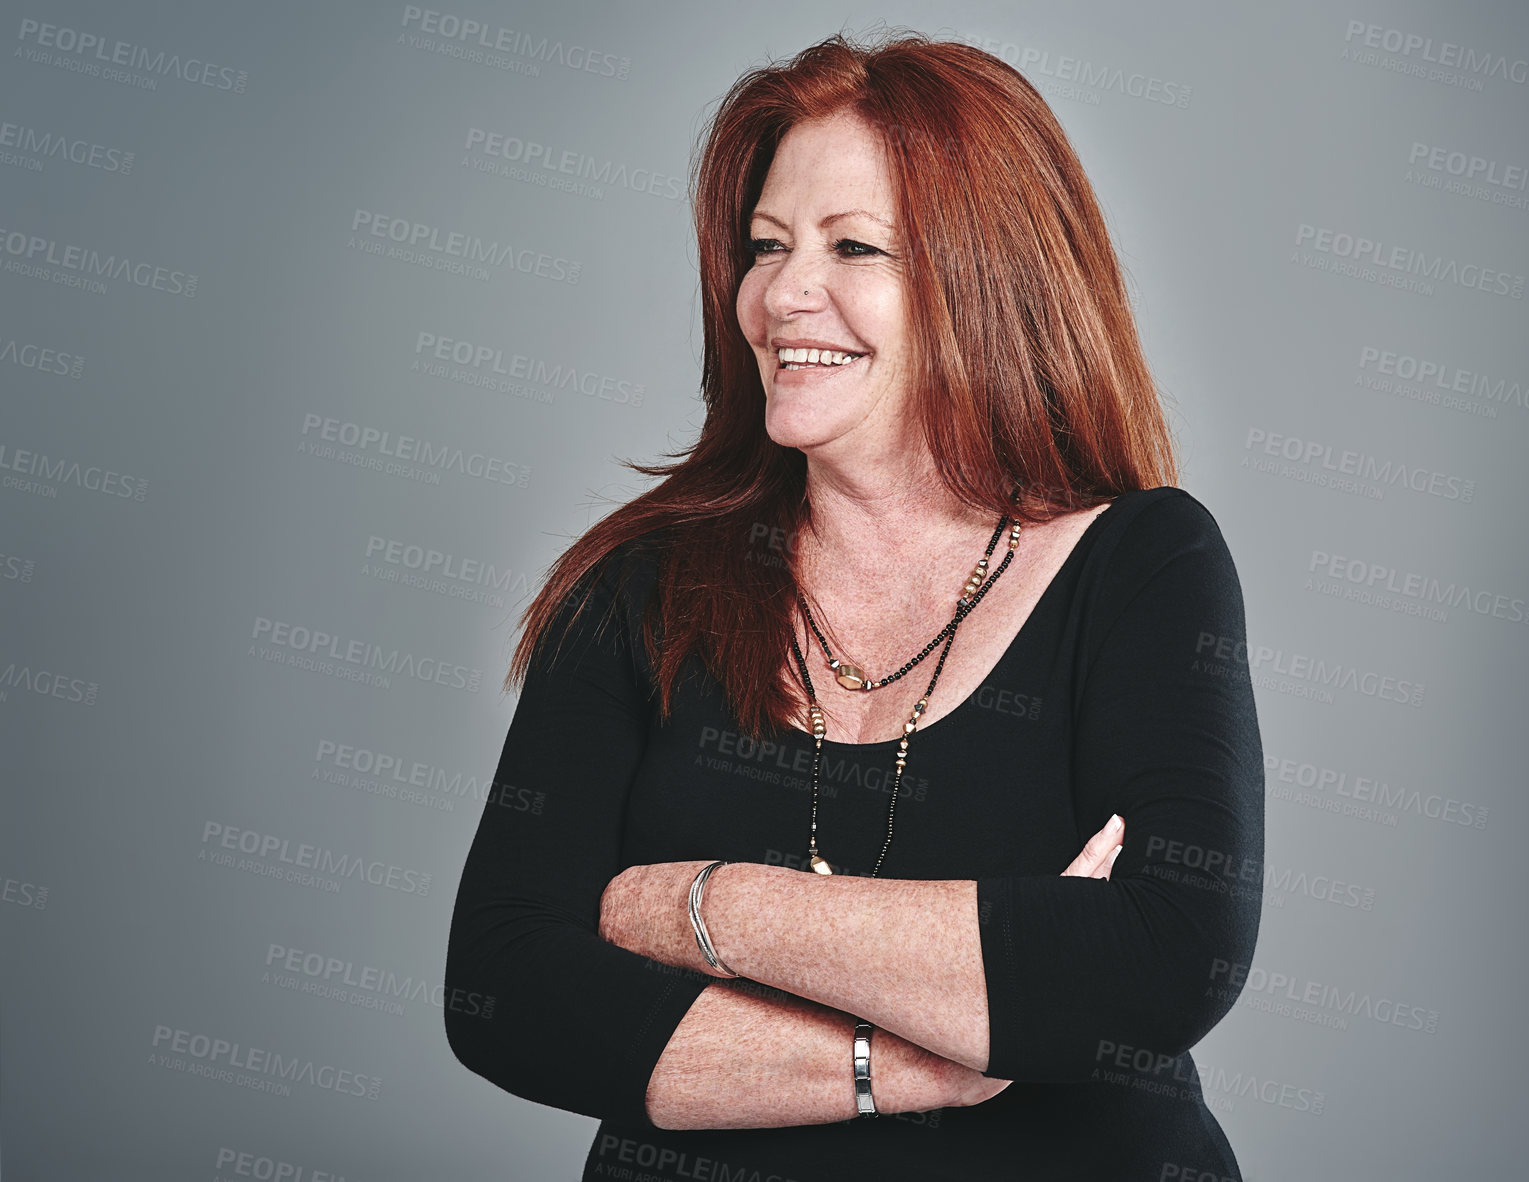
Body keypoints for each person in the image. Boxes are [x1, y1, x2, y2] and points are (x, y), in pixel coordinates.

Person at [444, 30, 1263, 1182]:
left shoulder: (1143, 562)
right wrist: (924, 1053)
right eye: (767, 246)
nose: (783, 295)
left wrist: (695, 907)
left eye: (854, 247)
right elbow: (505, 987)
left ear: (992, 278)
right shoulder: (639, 586)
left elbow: (1159, 964)